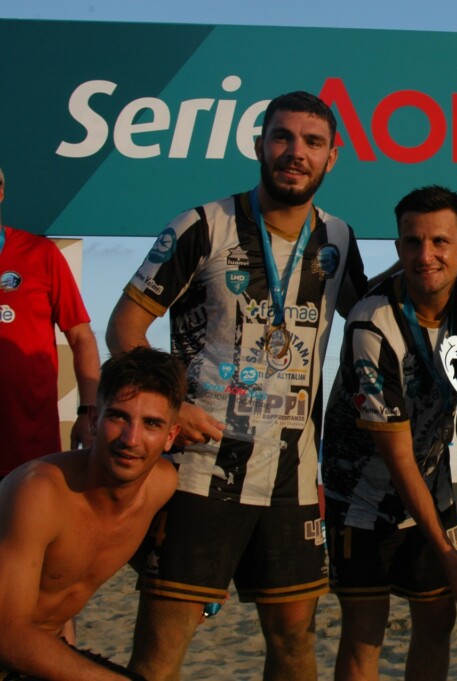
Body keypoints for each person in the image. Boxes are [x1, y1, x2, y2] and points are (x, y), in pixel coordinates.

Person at [106, 91, 367, 681]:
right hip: (200, 471)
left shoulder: (340, 239)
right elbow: (124, 327)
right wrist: (172, 407)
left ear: (333, 158)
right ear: (259, 145)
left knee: (295, 641)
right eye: (282, 137)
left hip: (291, 480)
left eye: (313, 142)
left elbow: (379, 312)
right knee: (161, 651)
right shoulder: (202, 225)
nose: (295, 153)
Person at [321, 184, 457, 680]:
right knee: (365, 632)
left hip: (431, 476)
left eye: (440, 242)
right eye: (412, 242)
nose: (426, 256)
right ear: (398, 246)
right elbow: (396, 457)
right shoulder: (371, 324)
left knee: (437, 620)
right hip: (359, 491)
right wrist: (448, 553)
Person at [0, 347, 184, 680]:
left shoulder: (161, 486)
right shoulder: (39, 493)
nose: (132, 439)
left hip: (44, 649)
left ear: (170, 436)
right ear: (94, 420)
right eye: (118, 417)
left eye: (152, 424)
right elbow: (6, 633)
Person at [0, 165, 101, 479]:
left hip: (27, 445)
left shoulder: (40, 254)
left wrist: (88, 410)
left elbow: (81, 337)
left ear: (1, 193)